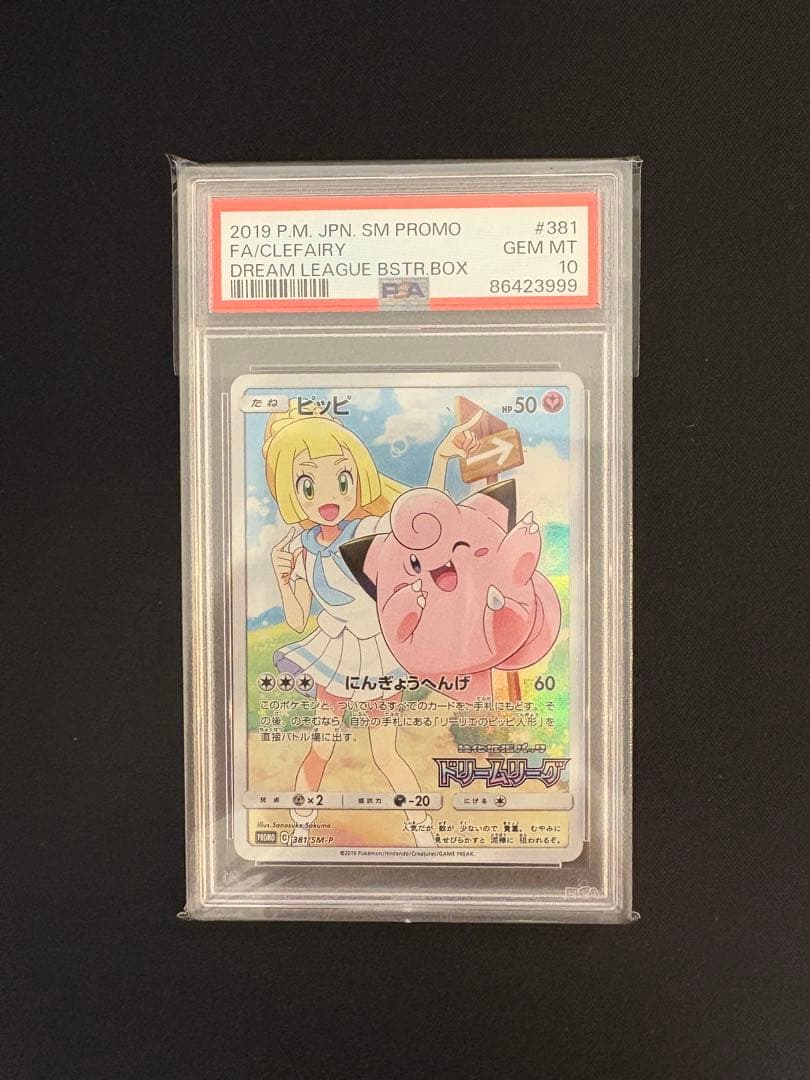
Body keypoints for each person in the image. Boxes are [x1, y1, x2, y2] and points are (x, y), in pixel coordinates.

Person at [262, 405, 481, 846]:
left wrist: (440, 459)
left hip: (378, 656)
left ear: (358, 477)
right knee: (321, 746)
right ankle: (300, 830)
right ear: (291, 491)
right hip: (335, 653)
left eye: (342, 480)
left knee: (385, 752)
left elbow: (424, 523)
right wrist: (283, 576)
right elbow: (298, 619)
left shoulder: (371, 530)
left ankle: (423, 833)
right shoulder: (301, 548)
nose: (328, 497)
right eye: (308, 485)